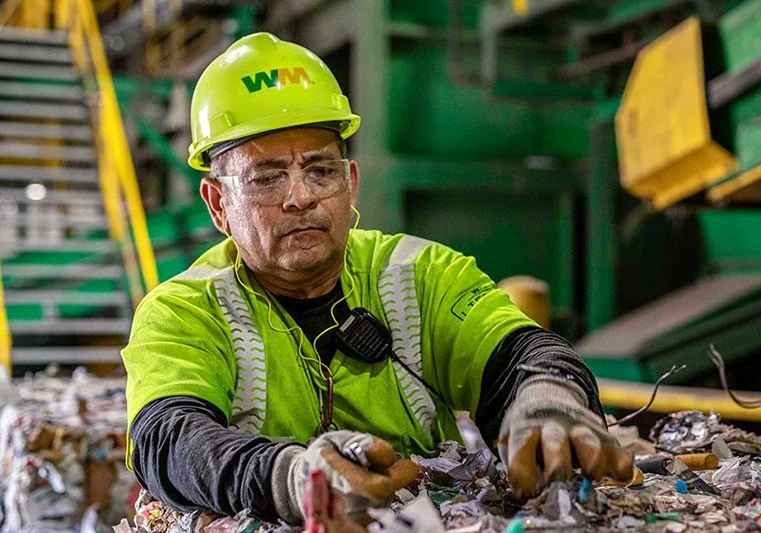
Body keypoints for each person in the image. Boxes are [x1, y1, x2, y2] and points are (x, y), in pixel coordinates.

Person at [122, 32, 634, 525]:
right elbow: (167, 439)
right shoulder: (184, 311)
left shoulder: (422, 275)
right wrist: (292, 478)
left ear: (351, 184)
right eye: (267, 178)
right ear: (218, 205)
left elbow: (520, 353)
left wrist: (547, 397)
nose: (300, 197)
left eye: (320, 171)